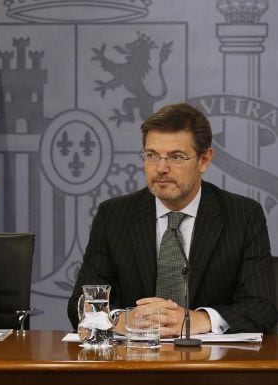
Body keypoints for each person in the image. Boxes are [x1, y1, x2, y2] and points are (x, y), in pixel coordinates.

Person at [68, 103, 276, 336]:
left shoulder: (243, 215)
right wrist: (120, 319)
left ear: (204, 160)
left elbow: (262, 306)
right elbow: (80, 302)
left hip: (211, 365)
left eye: (176, 157)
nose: (161, 168)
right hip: (133, 363)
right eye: (152, 156)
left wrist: (199, 319)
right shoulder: (114, 215)